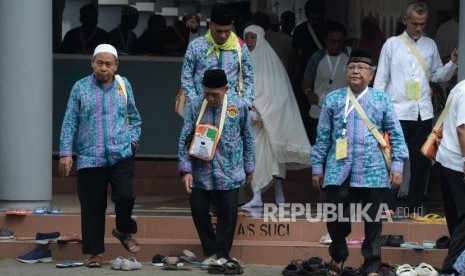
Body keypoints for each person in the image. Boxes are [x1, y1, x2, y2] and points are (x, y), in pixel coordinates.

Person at [311, 50, 408, 276]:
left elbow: (395, 134)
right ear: (346, 71)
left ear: (371, 74)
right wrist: (317, 166)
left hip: (373, 170)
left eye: (361, 68)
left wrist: (397, 165)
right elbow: (323, 135)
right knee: (335, 217)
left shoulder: (381, 99)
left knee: (373, 222)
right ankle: (338, 253)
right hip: (338, 169)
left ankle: (372, 266)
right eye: (351, 67)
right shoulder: (333, 99)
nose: (355, 71)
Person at [58, 44, 142, 268]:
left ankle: (124, 229)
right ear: (92, 63)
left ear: (116, 66)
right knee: (92, 206)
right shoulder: (80, 88)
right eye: (99, 63)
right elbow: (70, 122)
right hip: (89, 156)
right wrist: (66, 153)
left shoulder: (124, 86)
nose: (103, 68)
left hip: (121, 153)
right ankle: (94, 253)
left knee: (125, 195)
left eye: (108, 64)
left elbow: (134, 117)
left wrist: (133, 141)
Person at [374, 1, 458, 217]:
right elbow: (380, 81)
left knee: (421, 160)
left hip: (422, 111)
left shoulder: (430, 45)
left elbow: (438, 76)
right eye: (415, 24)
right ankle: (389, 206)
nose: (419, 28)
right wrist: (378, 112)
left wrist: (453, 64)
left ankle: (414, 206)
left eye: (422, 24)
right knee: (392, 158)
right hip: (396, 112)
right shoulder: (391, 44)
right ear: (405, 20)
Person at [178, 69, 255, 262]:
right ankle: (211, 251)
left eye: (215, 94)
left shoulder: (238, 107)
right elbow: (184, 139)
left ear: (226, 89)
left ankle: (222, 255)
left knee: (228, 215)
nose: (211, 98)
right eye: (207, 93)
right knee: (198, 210)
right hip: (201, 172)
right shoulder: (196, 105)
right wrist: (186, 170)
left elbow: (248, 138)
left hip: (230, 171)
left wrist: (249, 168)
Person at [241, 25, 311, 208]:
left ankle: (279, 195)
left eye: (252, 37)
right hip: (251, 120)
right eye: (246, 37)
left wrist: (263, 110)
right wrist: (249, 107)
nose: (248, 41)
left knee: (275, 157)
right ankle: (257, 195)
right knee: (255, 156)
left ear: (261, 38)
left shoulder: (273, 63)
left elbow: (280, 95)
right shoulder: (242, 61)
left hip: (270, 120)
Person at [181, 3, 254, 108]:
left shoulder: (240, 47)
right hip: (201, 110)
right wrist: (194, 102)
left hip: (231, 112)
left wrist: (245, 104)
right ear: (210, 25)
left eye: (227, 31)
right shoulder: (196, 46)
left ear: (231, 25)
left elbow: (249, 78)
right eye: (219, 31)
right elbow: (186, 77)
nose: (223, 36)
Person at [288, 0, 335, 141]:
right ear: (307, 15)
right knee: (304, 109)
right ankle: (309, 139)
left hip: (328, 73)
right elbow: (293, 53)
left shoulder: (332, 28)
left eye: (318, 18)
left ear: (323, 15)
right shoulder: (301, 30)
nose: (315, 21)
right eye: (312, 18)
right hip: (306, 74)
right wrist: (291, 72)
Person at [301, 22, 349, 145]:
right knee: (320, 148)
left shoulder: (349, 57)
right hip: (319, 111)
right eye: (333, 41)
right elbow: (306, 82)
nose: (337, 45)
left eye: (340, 41)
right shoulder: (316, 58)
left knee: (341, 150)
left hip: (343, 113)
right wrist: (309, 92)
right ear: (325, 41)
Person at [435, 80, 465, 274]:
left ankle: (458, 265)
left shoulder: (460, 86)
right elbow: (462, 129)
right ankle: (452, 267)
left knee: (456, 216)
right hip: (457, 162)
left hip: (448, 159)